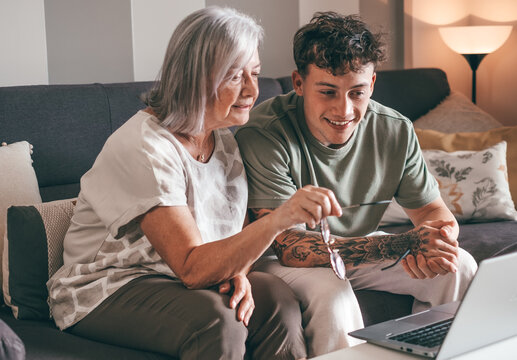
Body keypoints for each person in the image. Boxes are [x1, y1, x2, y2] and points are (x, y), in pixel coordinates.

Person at [47, 7, 341, 359]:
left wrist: (239, 271)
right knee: (218, 320)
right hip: (109, 286)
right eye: (235, 77)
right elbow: (190, 266)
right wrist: (280, 217)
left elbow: (236, 233)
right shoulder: (145, 146)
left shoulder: (225, 141)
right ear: (195, 77)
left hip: (176, 278)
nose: (252, 90)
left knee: (278, 300)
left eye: (256, 74)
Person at [234, 12, 478, 358]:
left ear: (373, 84)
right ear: (299, 83)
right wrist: (405, 244)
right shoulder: (264, 133)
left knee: (460, 266)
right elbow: (289, 246)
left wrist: (439, 240)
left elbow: (429, 210)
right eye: (328, 92)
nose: (344, 109)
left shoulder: (395, 129)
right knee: (333, 293)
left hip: (354, 246)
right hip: (278, 259)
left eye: (357, 92)